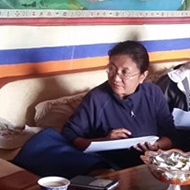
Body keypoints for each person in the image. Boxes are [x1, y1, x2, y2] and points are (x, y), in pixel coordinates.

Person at [14, 40, 176, 175]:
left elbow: (171, 133)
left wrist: (157, 146)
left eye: (125, 72)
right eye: (112, 69)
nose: (115, 78)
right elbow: (70, 135)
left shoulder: (153, 93)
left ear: (142, 76)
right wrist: (105, 140)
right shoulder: (97, 98)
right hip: (111, 167)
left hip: (150, 165)